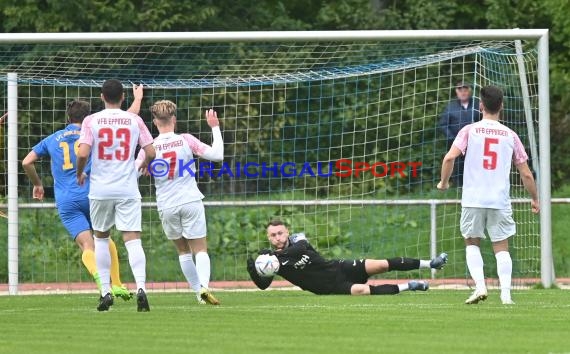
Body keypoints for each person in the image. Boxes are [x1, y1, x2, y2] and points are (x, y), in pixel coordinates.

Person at [21, 93, 143, 301]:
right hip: (93, 194)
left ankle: (100, 283)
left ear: (68, 118)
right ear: (87, 118)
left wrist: (38, 184)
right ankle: (117, 284)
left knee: (87, 245)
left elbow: (26, 162)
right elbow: (127, 117)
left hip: (67, 200)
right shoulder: (93, 131)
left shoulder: (53, 138)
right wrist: (137, 98)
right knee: (103, 238)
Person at [437, 85, 539, 305]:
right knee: (501, 246)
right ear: (501, 106)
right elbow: (526, 173)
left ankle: (481, 287)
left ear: (481, 105)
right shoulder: (511, 135)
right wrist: (535, 198)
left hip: (473, 198)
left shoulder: (469, 130)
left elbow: (448, 158)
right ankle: (506, 295)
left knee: (472, 242)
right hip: (499, 200)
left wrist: (444, 182)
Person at [76, 79, 156, 312]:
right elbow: (150, 151)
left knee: (100, 238)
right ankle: (141, 287)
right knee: (133, 239)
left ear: (101, 97)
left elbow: (82, 153)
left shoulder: (91, 120)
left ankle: (106, 292)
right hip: (127, 188)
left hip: (100, 189)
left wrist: (81, 172)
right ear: (122, 97)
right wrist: (145, 164)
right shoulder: (134, 120)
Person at [136, 100, 223, 305]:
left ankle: (198, 293)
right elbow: (217, 155)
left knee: (183, 251)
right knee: (200, 249)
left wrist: (146, 165)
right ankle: (204, 289)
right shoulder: (186, 140)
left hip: (166, 205)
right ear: (174, 119)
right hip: (191, 200)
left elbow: (133, 172)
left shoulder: (149, 147)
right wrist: (215, 127)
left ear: (155, 122)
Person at [247, 219, 448, 296]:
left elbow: (299, 250)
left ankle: (431, 263)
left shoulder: (297, 239)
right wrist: (253, 269)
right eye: (273, 235)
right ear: (268, 237)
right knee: (362, 290)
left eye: (280, 233)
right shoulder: (271, 262)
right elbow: (264, 285)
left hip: (339, 268)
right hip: (329, 287)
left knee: (379, 264)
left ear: (286, 231)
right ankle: (410, 286)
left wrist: (275, 255)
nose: (278, 237)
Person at [438, 81, 481, 186]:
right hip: (456, 144)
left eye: (465, 90)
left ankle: (474, 185)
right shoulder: (450, 107)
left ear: (469, 91)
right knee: (457, 166)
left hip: (476, 143)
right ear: (456, 91)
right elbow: (443, 124)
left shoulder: (477, 105)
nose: (463, 92)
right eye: (460, 90)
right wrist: (453, 139)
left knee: (475, 165)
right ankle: (457, 188)